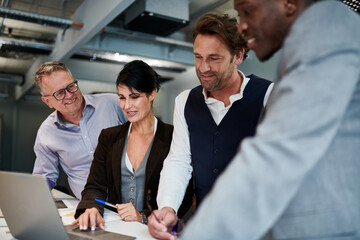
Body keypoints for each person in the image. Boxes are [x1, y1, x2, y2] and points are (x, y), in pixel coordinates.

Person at [177, 0, 360, 239]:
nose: (242, 26)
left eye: (248, 11)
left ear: (289, 3)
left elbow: (276, 154)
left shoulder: (326, 34)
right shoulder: (310, 40)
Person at [148, 13, 273, 239]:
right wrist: (168, 207)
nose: (203, 67)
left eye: (214, 58)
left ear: (238, 56)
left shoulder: (269, 96)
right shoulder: (184, 101)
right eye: (198, 57)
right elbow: (179, 160)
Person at [72, 60, 193, 231]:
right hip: (116, 230)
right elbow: (94, 186)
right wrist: (91, 208)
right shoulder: (109, 137)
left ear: (152, 94)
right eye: (122, 97)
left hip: (156, 231)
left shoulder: (173, 137)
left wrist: (143, 216)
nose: (126, 106)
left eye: (134, 97)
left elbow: (185, 195)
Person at [32, 61, 127, 199]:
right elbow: (45, 176)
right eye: (59, 93)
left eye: (71, 86)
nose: (70, 95)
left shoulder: (112, 104)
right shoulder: (47, 132)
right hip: (89, 208)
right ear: (47, 102)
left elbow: (145, 135)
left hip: (130, 202)